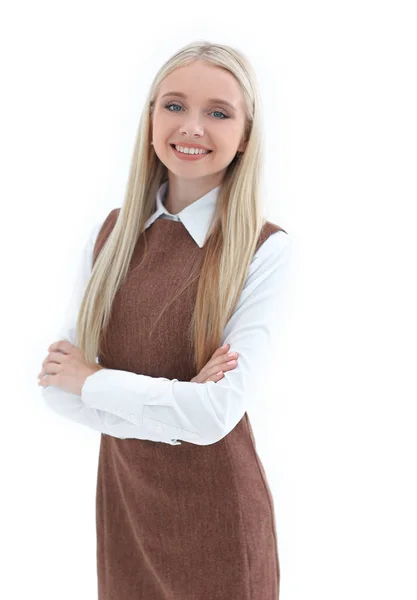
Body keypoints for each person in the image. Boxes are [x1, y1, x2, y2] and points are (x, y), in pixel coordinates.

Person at [38, 40, 292, 600]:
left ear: (246, 134)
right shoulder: (113, 235)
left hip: (219, 519)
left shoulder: (262, 250)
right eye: (173, 105)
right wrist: (175, 408)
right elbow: (58, 387)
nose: (191, 126)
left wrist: (95, 384)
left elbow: (215, 416)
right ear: (150, 117)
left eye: (218, 112)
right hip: (125, 511)